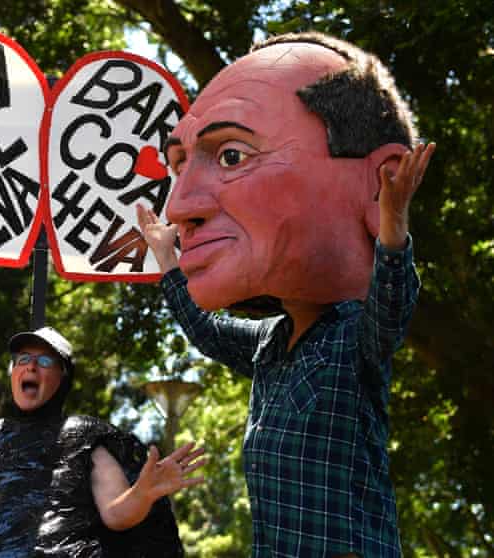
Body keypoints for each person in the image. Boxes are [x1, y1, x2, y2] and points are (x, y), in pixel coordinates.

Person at [136, 32, 434, 558]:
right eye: (180, 165)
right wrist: (165, 259)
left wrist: (392, 224)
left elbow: (391, 306)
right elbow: (206, 331)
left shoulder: (352, 337)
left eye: (231, 154)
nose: (179, 204)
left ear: (376, 180)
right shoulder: (268, 346)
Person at [0, 326, 206, 557]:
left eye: (46, 361)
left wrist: (142, 494)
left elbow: (116, 514)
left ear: (63, 377)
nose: (31, 366)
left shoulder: (85, 435)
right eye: (23, 359)